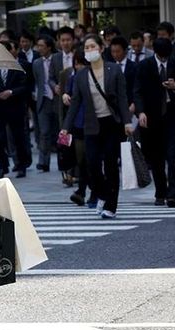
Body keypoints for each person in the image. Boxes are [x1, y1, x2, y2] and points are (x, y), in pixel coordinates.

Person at [61, 34, 134, 219]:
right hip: (91, 125)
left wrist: (127, 122)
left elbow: (123, 97)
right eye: (86, 48)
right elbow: (76, 102)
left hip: (111, 123)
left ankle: (111, 205)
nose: (89, 50)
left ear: (101, 48)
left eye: (93, 46)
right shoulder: (81, 75)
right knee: (91, 164)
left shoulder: (114, 69)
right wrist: (65, 127)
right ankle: (102, 194)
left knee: (110, 165)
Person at [134, 37, 175, 208]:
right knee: (156, 158)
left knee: (173, 157)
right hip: (152, 117)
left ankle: (172, 194)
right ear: (156, 53)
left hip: (172, 117)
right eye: (161, 57)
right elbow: (138, 91)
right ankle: (160, 192)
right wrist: (141, 111)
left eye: (167, 57)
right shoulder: (145, 66)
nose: (164, 60)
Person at [0, 41, 30, 178]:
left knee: (19, 138)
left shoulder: (20, 66)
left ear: (13, 50)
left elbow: (25, 86)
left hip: (15, 107)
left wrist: (11, 92)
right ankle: (3, 165)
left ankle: (22, 165)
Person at [62, 49, 96, 207]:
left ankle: (88, 192)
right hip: (78, 124)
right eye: (76, 63)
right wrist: (65, 95)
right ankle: (83, 191)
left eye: (81, 63)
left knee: (92, 161)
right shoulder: (73, 78)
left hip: (95, 124)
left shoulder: (96, 78)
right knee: (82, 159)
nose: (78, 66)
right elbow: (69, 96)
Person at [33, 34, 58, 172]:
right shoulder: (37, 63)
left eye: (42, 46)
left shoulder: (57, 58)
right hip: (43, 99)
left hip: (57, 99)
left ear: (49, 47)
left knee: (60, 131)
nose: (39, 48)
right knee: (44, 132)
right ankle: (43, 162)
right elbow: (37, 81)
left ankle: (64, 160)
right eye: (38, 46)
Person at [110, 36, 137, 113]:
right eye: (113, 51)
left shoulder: (134, 67)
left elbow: (137, 87)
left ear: (125, 51)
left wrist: (134, 103)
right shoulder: (108, 67)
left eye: (118, 51)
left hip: (130, 107)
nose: (115, 54)